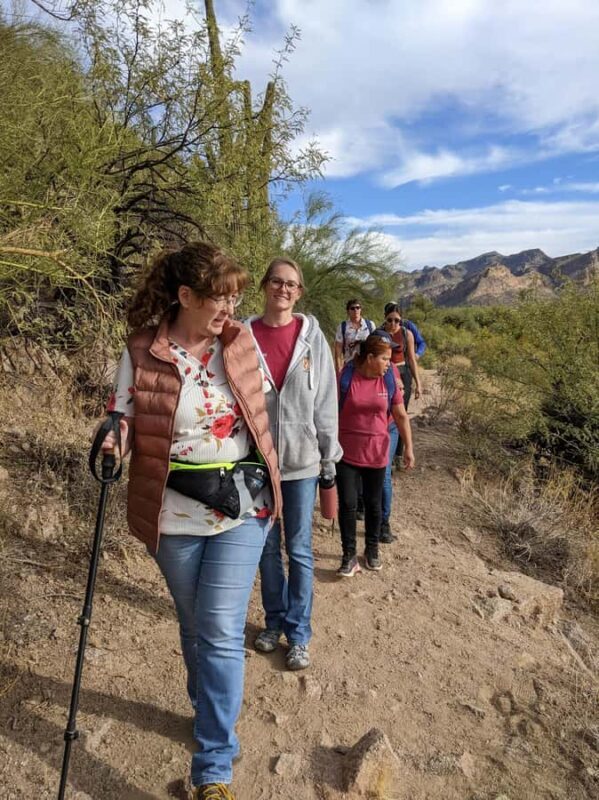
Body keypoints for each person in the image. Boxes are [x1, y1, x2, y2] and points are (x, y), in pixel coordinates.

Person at [100, 242, 282, 800]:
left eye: (234, 297)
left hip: (241, 509)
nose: (230, 308)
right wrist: (114, 439)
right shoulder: (142, 351)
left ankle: (213, 767)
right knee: (194, 623)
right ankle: (212, 711)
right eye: (219, 298)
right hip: (172, 512)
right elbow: (123, 416)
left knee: (221, 630)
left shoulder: (240, 342)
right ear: (185, 297)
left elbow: (261, 408)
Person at [246, 257, 342, 670]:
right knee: (266, 549)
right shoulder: (243, 335)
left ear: (299, 292)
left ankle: (299, 633)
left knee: (299, 551)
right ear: (265, 286)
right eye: (276, 282)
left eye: (291, 284)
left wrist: (329, 454)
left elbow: (325, 399)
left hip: (302, 463)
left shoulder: (311, 338)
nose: (283, 289)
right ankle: (273, 622)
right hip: (257, 461)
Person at [336, 332, 415, 577]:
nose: (389, 364)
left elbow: (400, 415)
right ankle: (348, 555)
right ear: (370, 357)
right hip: (346, 452)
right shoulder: (346, 377)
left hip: (377, 452)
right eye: (384, 358)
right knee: (348, 505)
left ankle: (372, 549)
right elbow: (329, 412)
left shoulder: (390, 377)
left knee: (373, 504)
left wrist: (409, 448)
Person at [380, 306, 422, 539]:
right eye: (390, 319)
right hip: (374, 429)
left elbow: (402, 416)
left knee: (383, 473)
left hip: (401, 373)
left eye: (397, 319)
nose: (394, 323)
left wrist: (417, 382)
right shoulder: (378, 335)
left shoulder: (406, 335)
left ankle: (382, 523)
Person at [334, 298, 376, 372]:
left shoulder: (370, 325)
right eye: (352, 308)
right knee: (345, 383)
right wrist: (338, 366)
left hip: (366, 363)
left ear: (360, 310)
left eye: (358, 308)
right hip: (349, 363)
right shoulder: (342, 327)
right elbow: (338, 348)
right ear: (348, 311)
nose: (355, 310)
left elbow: (375, 343)